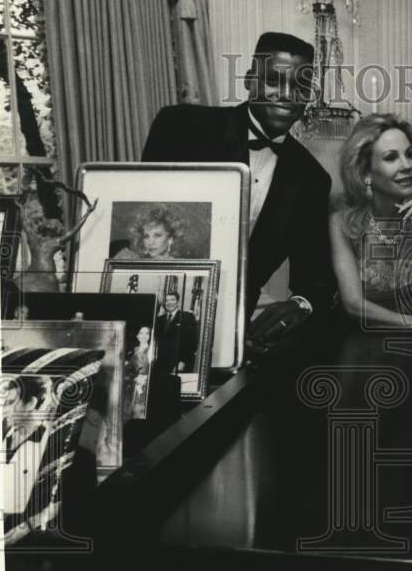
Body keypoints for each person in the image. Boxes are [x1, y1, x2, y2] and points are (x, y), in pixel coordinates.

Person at [142, 32, 337, 346]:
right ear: (249, 81)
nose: (288, 95)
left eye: (301, 86)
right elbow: (140, 216)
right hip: (151, 310)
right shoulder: (182, 127)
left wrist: (299, 305)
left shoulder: (311, 178)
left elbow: (315, 275)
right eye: (274, 80)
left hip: (237, 333)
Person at [329, 113, 412, 341]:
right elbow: (353, 305)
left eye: (409, 155)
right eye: (391, 157)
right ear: (365, 173)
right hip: (363, 342)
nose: (407, 166)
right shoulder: (342, 222)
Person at [111, 205, 183, 260]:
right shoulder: (132, 259)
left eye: (157, 235)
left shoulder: (180, 267)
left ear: (170, 239)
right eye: (146, 236)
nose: (150, 243)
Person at [155, 292, 199, 374]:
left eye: (172, 300)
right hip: (161, 364)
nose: (169, 303)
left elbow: (192, 342)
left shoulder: (187, 317)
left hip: (179, 363)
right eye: (167, 300)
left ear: (177, 302)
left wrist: (183, 361)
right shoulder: (159, 319)